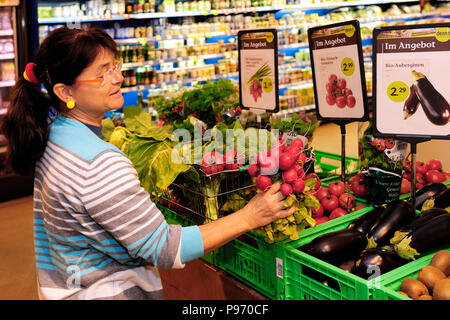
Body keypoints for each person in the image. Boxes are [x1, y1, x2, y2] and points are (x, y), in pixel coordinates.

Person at [0, 27, 294, 300]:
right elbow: (165, 248)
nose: (117, 78)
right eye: (102, 73)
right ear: (65, 92)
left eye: (114, 65)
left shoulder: (49, 134)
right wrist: (249, 216)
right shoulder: (99, 163)